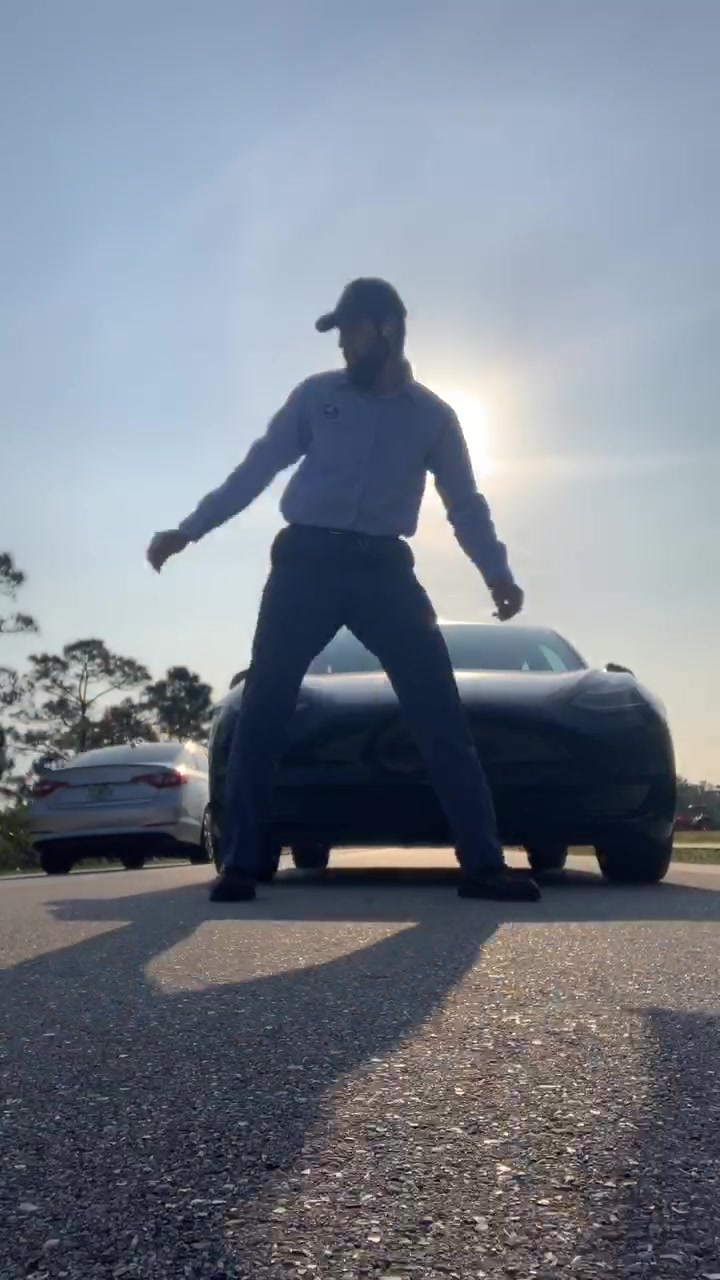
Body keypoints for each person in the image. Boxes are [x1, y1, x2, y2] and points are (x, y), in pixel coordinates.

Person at [147, 279, 540, 904]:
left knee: (439, 710)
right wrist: (189, 529)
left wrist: (497, 572)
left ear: (387, 330)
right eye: (340, 335)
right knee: (264, 705)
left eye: (352, 332)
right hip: (305, 563)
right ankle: (242, 863)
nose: (343, 346)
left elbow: (465, 503)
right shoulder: (316, 396)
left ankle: (484, 864)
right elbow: (258, 466)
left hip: (385, 570)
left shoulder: (433, 417)